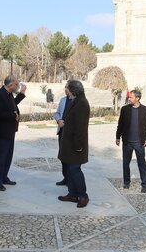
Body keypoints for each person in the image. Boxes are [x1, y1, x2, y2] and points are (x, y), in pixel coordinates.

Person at [57, 80, 90, 208]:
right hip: (69, 144)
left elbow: (80, 127)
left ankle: (83, 196)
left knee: (75, 170)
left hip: (76, 146)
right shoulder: (75, 100)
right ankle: (72, 194)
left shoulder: (81, 103)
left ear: (73, 90)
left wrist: (78, 146)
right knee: (70, 170)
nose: (67, 91)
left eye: (68, 89)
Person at [0, 75, 26, 192]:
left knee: (8, 156)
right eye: (16, 84)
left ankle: (4, 177)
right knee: (1, 157)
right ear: (11, 85)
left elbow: (12, 105)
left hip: (10, 131)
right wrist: (13, 115)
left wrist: (21, 94)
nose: (18, 86)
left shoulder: (9, 94)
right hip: (3, 132)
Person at [115, 89, 146, 193]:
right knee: (125, 163)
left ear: (137, 98)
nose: (129, 98)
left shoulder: (145, 110)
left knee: (142, 164)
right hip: (127, 142)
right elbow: (120, 124)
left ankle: (144, 185)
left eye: (131, 97)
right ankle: (126, 183)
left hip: (139, 142)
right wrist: (118, 137)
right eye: (129, 97)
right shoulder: (125, 109)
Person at [54, 83, 71, 186]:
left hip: (71, 134)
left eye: (67, 88)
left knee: (70, 157)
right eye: (65, 88)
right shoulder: (63, 100)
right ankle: (65, 177)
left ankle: (71, 179)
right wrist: (58, 120)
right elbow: (57, 113)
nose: (65, 90)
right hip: (62, 132)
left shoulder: (77, 102)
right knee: (62, 156)